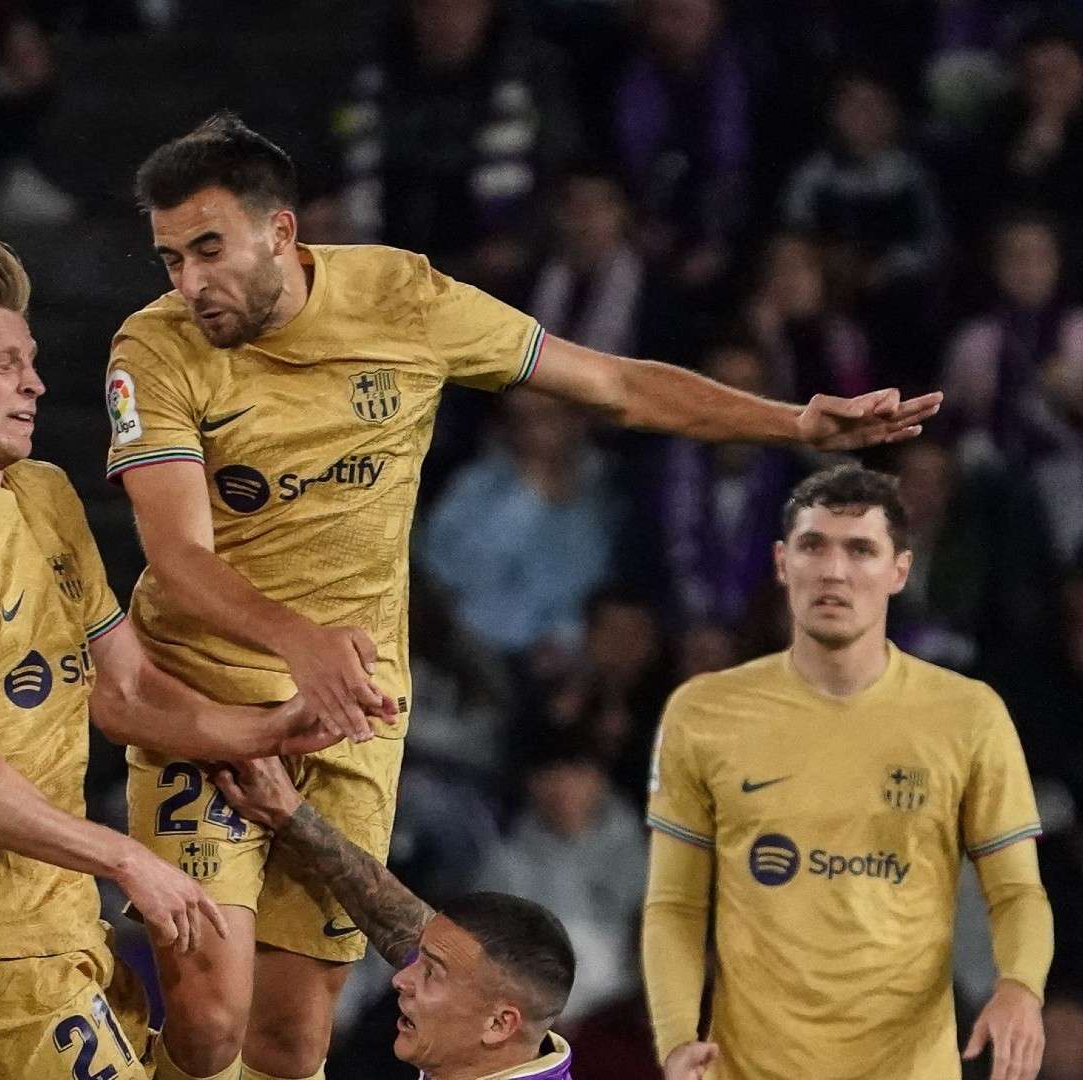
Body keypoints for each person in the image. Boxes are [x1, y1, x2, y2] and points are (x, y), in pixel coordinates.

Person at [106, 111, 939, 1080]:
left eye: (209, 249)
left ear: (282, 232)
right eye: (170, 260)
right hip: (202, 698)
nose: (190, 283)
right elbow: (177, 558)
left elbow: (614, 385)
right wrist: (296, 639)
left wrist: (796, 422)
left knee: (291, 1046)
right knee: (209, 1030)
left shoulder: (405, 300)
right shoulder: (153, 349)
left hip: (352, 711)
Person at [0, 237, 352, 1080]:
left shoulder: (42, 492)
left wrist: (268, 729)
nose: (35, 383)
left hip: (64, 920)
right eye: (5, 364)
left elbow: (127, 687)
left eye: (32, 362)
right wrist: (127, 857)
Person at [643, 464, 1053, 1080]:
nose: (834, 571)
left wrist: (1021, 986)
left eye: (861, 549)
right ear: (782, 563)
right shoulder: (703, 712)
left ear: (900, 570)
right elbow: (674, 902)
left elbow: (1017, 890)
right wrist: (676, 1037)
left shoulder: (968, 715)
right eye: (813, 546)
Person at [210, 755, 576, 1080]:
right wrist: (288, 813)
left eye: (430, 972)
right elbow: (397, 921)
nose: (401, 979)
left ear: (499, 1024)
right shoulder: (498, 1042)